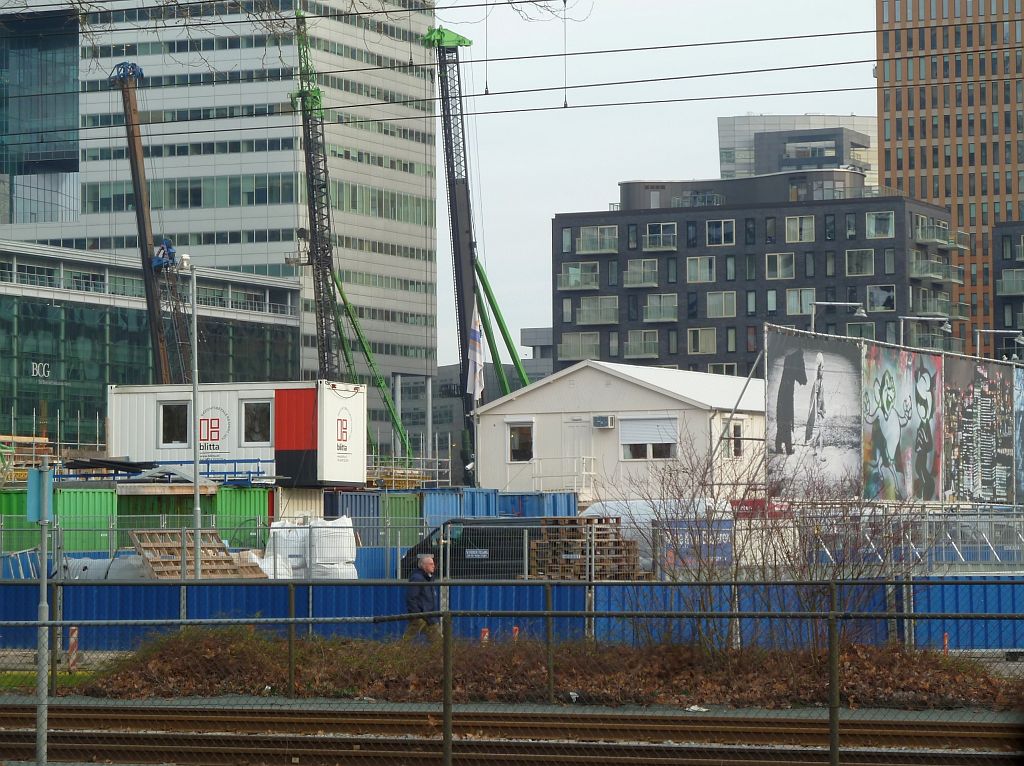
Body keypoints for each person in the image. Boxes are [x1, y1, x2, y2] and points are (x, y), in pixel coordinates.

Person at [404, 554, 441, 642]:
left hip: (429, 616)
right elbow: (411, 597)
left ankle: (437, 654)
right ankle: (399, 652)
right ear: (424, 566)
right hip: (421, 616)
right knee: (408, 639)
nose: (434, 566)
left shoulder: (429, 578)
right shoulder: (417, 578)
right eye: (431, 564)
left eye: (433, 564)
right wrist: (417, 614)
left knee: (437, 641)